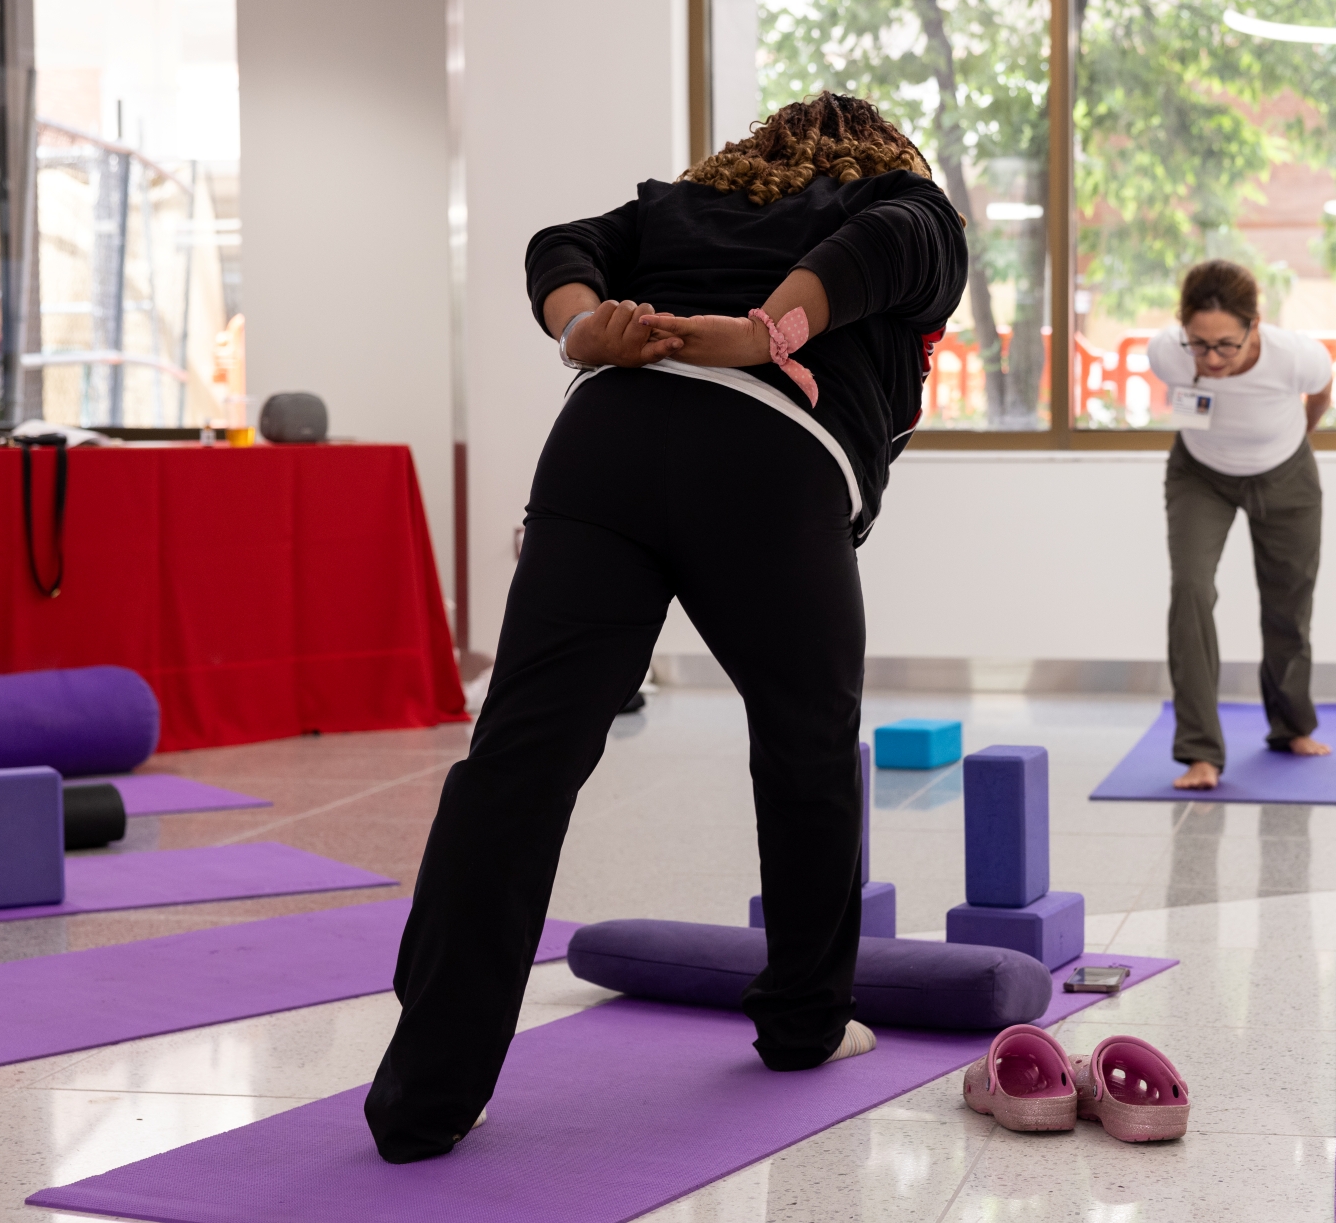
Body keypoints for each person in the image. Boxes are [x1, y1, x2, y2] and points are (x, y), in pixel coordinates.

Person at [362, 94, 967, 1163]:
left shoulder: (677, 205)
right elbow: (895, 240)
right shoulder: (901, 197)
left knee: (518, 761)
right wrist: (765, 334)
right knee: (807, 747)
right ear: (883, 153)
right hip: (769, 460)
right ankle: (803, 1025)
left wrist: (582, 324)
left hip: (607, 442)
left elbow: (562, 247)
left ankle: (426, 1093)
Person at [1147, 259, 1334, 791]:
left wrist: (1294, 441)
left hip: (1285, 474)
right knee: (1190, 591)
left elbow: (1320, 395)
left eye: (1226, 344)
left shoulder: (1294, 357)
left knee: (1288, 602)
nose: (1211, 357)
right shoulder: (1169, 353)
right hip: (1200, 476)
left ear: (1256, 324)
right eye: (1199, 343)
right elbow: (1188, 405)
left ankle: (1292, 726)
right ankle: (1200, 752)